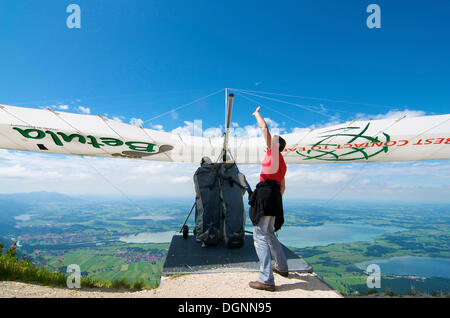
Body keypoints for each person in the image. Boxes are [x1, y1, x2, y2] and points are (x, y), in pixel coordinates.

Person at [248, 106, 289, 292]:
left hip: (266, 193)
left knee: (260, 235)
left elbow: (264, 128)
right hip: (275, 197)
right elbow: (283, 187)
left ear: (276, 144)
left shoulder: (272, 152)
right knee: (270, 233)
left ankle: (266, 279)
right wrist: (275, 201)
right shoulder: (282, 163)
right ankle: (282, 267)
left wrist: (257, 114)